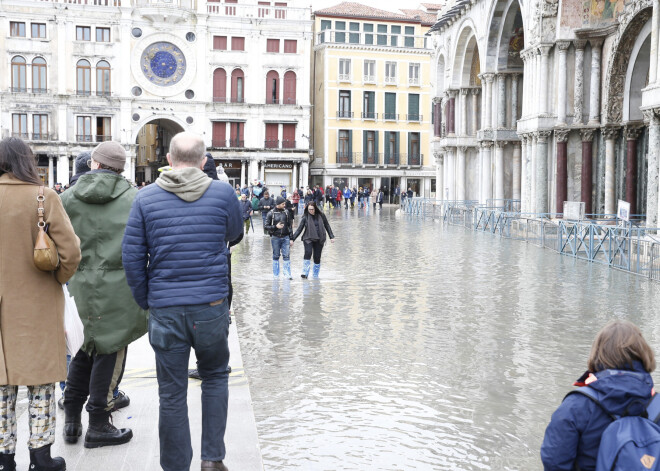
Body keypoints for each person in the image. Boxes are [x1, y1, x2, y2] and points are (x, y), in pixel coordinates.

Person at [122, 132, 242, 471]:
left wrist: (149, 300)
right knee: (215, 377)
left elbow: (131, 257)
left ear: (170, 161)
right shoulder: (222, 192)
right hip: (210, 306)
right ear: (204, 162)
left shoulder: (145, 198)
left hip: (165, 308)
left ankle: (176, 466)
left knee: (171, 393)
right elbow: (234, 234)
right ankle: (212, 459)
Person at [0, 137, 82, 471]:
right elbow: (71, 252)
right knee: (41, 382)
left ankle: (4, 459)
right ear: (26, 161)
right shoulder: (43, 196)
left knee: (1, 386)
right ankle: (41, 457)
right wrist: (57, 279)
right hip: (37, 302)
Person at [60, 141, 147, 449]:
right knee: (108, 350)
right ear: (121, 168)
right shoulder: (136, 198)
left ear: (94, 164)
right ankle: (98, 423)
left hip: (78, 285)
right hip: (120, 287)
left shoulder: (66, 198)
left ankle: (71, 421)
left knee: (81, 348)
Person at [540, 319, 656, 471]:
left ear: (598, 353)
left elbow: (554, 462)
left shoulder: (576, 405)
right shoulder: (655, 404)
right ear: (643, 353)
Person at [290, 201, 335, 279]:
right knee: (308, 252)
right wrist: (292, 239)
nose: (310, 211)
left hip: (319, 238)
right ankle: (305, 273)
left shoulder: (321, 215)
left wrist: (331, 236)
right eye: (309, 209)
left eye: (312, 209)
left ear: (315, 208)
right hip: (308, 238)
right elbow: (299, 229)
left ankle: (315, 275)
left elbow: (327, 225)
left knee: (317, 257)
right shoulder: (305, 217)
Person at [265, 196, 292, 279]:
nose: (284, 205)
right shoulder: (271, 213)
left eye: (284, 203)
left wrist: (291, 238)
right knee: (276, 256)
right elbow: (266, 226)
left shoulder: (287, 212)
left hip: (286, 237)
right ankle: (276, 275)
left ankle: (287, 275)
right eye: (283, 204)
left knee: (286, 256)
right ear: (278, 204)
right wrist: (275, 227)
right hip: (275, 237)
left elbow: (290, 226)